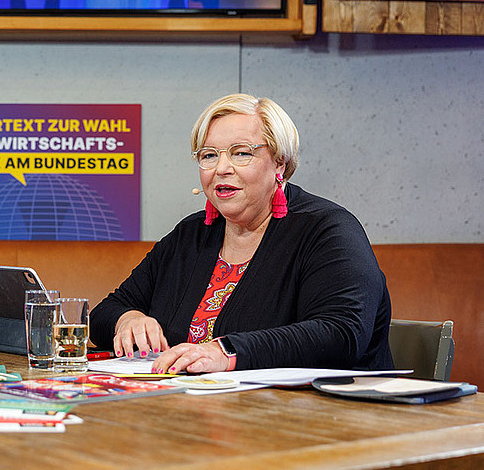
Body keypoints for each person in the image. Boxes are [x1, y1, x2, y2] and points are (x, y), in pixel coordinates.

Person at [89, 93, 394, 375]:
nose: (221, 168)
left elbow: (342, 334)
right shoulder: (191, 235)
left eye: (241, 153)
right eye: (209, 156)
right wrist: (128, 320)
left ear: (279, 162)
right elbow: (105, 313)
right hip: (194, 411)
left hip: (314, 419)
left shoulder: (329, 230)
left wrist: (227, 352)